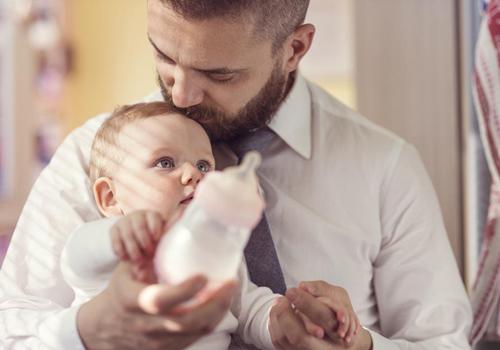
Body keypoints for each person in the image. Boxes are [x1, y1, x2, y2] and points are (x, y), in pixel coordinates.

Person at [0, 0, 472, 349]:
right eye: (163, 56)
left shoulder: (385, 167)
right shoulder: (95, 154)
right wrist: (88, 330)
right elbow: (13, 333)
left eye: (218, 74)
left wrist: (361, 346)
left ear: (294, 48)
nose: (181, 95)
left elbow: (443, 342)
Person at [60, 101, 359, 350]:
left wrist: (281, 317)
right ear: (110, 197)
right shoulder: (110, 251)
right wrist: (116, 235)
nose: (193, 173)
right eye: (165, 162)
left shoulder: (215, 247)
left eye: (204, 165)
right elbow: (76, 258)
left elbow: (246, 308)